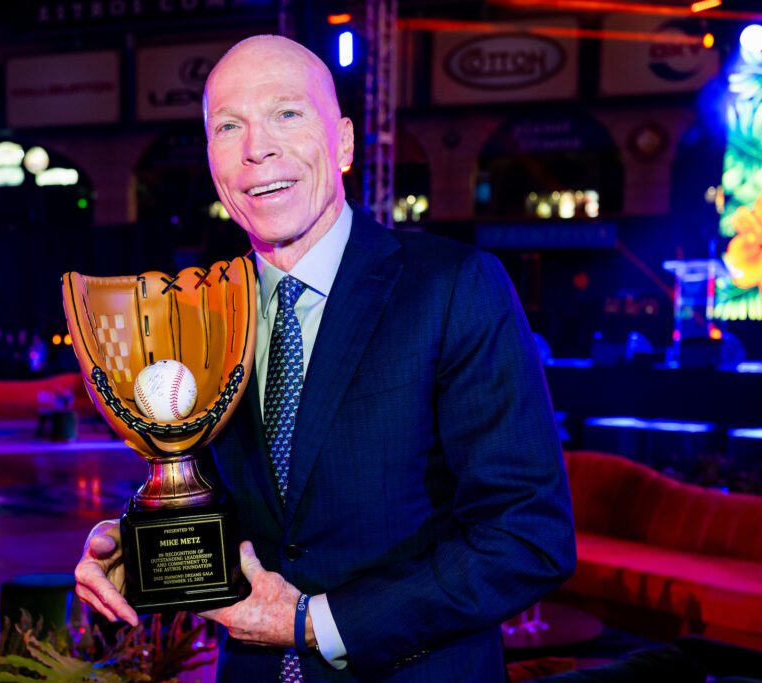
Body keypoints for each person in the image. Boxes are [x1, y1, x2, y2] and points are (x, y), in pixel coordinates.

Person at [74, 35, 576, 682]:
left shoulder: (452, 287)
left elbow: (527, 536)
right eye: (230, 126)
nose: (258, 147)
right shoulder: (199, 313)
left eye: (287, 113)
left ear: (342, 142)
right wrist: (136, 553)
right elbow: (231, 516)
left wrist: (315, 620)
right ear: (211, 158)